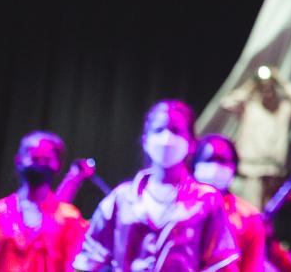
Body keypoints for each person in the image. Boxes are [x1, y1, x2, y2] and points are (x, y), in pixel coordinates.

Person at [73, 99, 240, 271]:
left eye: (175, 131)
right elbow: (88, 260)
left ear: (191, 143)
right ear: (145, 140)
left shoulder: (206, 200)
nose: (166, 139)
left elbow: (222, 265)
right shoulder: (121, 198)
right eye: (159, 130)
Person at [0, 131, 88, 272]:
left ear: (58, 165)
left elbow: (80, 264)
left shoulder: (70, 218)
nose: (41, 163)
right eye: (35, 158)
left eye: (47, 159)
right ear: (18, 161)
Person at [221, 65, 291, 208]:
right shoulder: (250, 107)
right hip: (252, 172)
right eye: (263, 87)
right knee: (252, 212)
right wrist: (251, 83)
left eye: (271, 86)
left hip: (275, 172)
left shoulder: (284, 108)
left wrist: (281, 80)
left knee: (269, 220)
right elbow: (227, 103)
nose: (267, 90)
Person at [193, 133, 267, 272]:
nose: (215, 166)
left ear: (234, 167)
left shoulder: (249, 216)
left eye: (222, 161)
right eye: (209, 160)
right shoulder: (179, 207)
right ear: (195, 164)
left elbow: (253, 267)